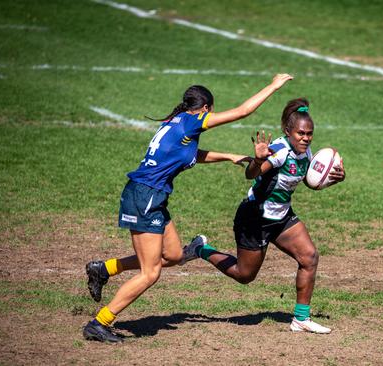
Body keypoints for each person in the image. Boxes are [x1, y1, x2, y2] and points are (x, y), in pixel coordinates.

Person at [82, 73, 293, 343]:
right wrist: (274, 86)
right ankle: (99, 323)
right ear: (205, 109)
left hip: (151, 196)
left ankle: (104, 269)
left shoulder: (177, 122)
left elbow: (190, 155)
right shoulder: (194, 121)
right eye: (211, 111)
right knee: (151, 273)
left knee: (171, 255)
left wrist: (227, 156)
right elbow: (242, 111)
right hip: (145, 196)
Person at [182, 98, 345, 334]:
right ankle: (200, 249)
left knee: (309, 258)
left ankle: (301, 318)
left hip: (281, 217)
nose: (306, 138)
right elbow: (251, 174)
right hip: (255, 218)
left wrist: (332, 178)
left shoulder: (306, 152)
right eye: (300, 133)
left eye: (309, 133)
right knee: (244, 275)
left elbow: (307, 180)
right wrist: (258, 159)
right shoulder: (279, 151)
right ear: (288, 132)